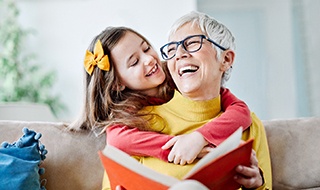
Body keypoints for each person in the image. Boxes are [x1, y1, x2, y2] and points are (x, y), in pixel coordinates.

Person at [102, 11, 272, 189]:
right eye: (172, 49)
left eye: (192, 44)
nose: (179, 54)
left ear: (226, 59)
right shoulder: (137, 123)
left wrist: (257, 184)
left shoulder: (249, 125)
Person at [70, 26, 252, 165]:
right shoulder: (129, 110)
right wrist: (180, 147)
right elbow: (118, 139)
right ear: (118, 84)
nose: (149, 59)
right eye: (134, 62)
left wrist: (199, 138)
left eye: (146, 48)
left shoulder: (180, 74)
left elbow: (241, 111)